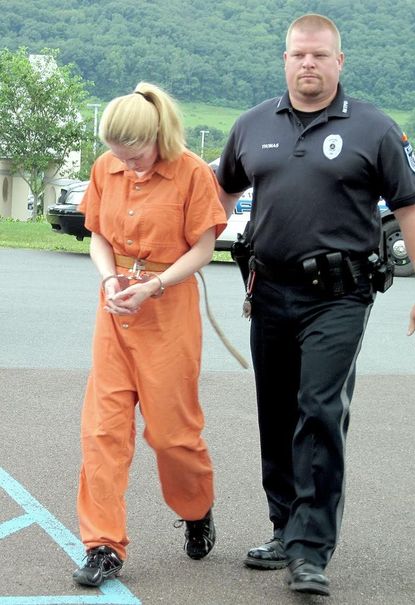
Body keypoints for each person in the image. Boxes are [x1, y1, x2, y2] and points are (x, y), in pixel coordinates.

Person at [217, 14, 415, 597]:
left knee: (318, 408)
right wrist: (165, 260)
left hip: (339, 296)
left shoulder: (374, 129)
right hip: (267, 291)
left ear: (339, 61)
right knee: (276, 410)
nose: (308, 64)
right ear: (285, 59)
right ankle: (284, 526)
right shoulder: (250, 126)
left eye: (319, 55)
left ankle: (310, 550)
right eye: (298, 55)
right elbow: (217, 197)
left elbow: (412, 212)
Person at [72, 82, 227, 587]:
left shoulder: (192, 173)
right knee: (102, 432)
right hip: (115, 310)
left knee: (171, 436)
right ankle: (102, 546)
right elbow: (98, 234)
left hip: (168, 309)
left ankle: (196, 508)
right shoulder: (105, 168)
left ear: (158, 135)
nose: (128, 164)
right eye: (118, 155)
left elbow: (203, 248)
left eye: (135, 154)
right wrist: (108, 277)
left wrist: (154, 284)